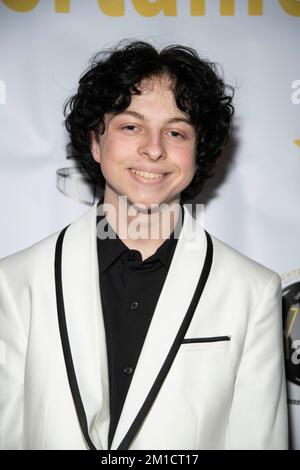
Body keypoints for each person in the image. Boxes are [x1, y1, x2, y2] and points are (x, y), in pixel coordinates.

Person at [0, 40, 288, 450]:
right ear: (96, 143)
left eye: (175, 131)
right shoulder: (14, 283)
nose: (154, 149)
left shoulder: (251, 291)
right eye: (131, 126)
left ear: (197, 152)